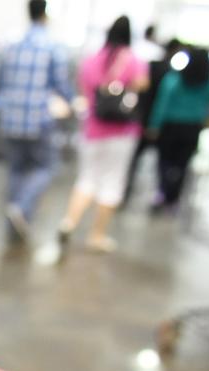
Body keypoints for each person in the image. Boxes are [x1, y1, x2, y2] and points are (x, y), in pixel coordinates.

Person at [58, 16, 148, 254]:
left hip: (92, 129)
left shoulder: (91, 60)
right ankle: (96, 235)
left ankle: (69, 222)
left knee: (87, 178)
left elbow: (84, 89)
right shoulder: (133, 61)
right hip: (122, 132)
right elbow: (142, 85)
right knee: (112, 182)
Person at [0, 0, 73, 243]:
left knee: (16, 169)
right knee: (45, 167)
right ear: (45, 15)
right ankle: (21, 208)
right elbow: (61, 84)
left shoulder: (11, 45)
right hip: (39, 119)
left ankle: (14, 219)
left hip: (10, 117)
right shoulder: (52, 46)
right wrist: (71, 101)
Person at [147, 47, 209, 211]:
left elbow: (161, 104)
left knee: (164, 161)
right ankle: (173, 197)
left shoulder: (173, 80)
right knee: (182, 164)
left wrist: (154, 125)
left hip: (170, 127)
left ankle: (163, 191)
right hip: (192, 128)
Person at [123, 37, 181, 205]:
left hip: (142, 118)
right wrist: (155, 124)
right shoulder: (171, 74)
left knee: (134, 159)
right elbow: (162, 101)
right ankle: (162, 194)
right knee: (161, 162)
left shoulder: (152, 67)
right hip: (158, 123)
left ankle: (126, 190)